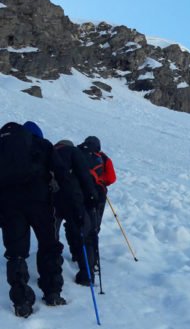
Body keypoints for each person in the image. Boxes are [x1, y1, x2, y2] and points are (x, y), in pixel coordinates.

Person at [0, 121, 69, 318]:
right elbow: (62, 174)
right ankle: (52, 292)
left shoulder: (4, 149)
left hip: (9, 205)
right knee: (48, 245)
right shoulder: (43, 145)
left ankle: (21, 302)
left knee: (16, 253)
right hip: (40, 202)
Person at [53, 139, 99, 286]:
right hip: (73, 199)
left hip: (52, 199)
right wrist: (92, 196)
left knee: (51, 234)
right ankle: (86, 274)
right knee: (83, 235)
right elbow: (84, 176)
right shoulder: (74, 152)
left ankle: (54, 264)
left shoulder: (50, 153)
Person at [78, 136, 116, 232]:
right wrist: (100, 180)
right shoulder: (103, 158)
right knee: (93, 224)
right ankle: (91, 239)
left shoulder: (78, 152)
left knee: (76, 221)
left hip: (78, 189)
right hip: (98, 192)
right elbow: (112, 178)